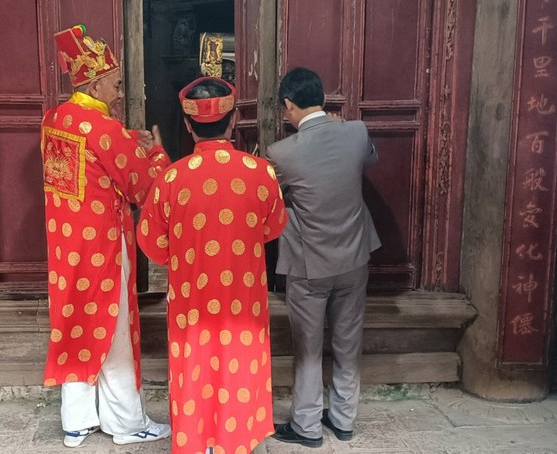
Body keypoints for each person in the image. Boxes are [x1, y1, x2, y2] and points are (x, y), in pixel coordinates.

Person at [137, 77, 287, 454]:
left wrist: (188, 255)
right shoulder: (261, 172)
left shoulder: (171, 178)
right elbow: (272, 228)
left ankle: (196, 440)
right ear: (233, 121)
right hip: (244, 298)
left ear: (188, 126)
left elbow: (153, 244)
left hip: (192, 301)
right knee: (241, 359)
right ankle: (235, 439)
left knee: (194, 366)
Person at [40, 24, 171, 448]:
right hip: (102, 245)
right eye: (115, 84)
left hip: (66, 246)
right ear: (94, 83)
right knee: (113, 329)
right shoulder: (103, 128)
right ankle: (126, 422)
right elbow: (141, 185)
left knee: (75, 322)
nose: (119, 93)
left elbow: (90, 165)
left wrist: (124, 141)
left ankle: (76, 419)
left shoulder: (55, 120)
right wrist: (153, 148)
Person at [268, 68, 380, 448]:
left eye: (284, 109)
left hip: (309, 264)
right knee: (348, 341)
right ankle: (345, 419)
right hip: (354, 258)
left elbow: (271, 200)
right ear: (323, 98)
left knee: (308, 348)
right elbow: (370, 160)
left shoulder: (281, 153)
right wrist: (343, 125)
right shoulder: (356, 131)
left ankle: (307, 426)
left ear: (289, 104)